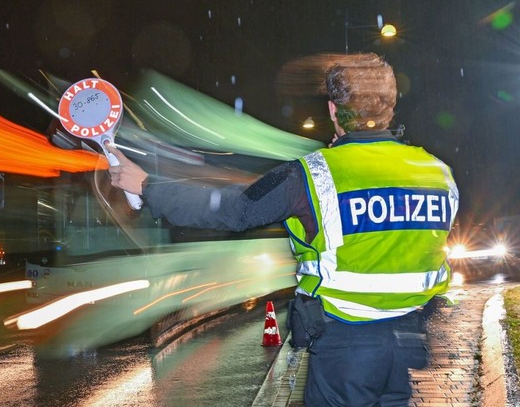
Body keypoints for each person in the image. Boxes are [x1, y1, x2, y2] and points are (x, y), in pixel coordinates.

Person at [107, 52, 459, 406]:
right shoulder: (437, 172)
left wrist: (148, 186)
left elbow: (232, 210)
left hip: (345, 348)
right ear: (390, 108)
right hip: (408, 341)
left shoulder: (313, 174)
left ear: (334, 111)